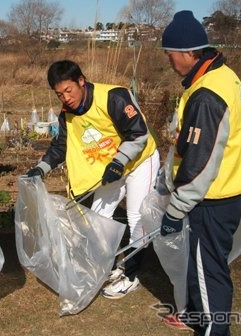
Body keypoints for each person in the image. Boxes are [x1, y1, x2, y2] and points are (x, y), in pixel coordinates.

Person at [159, 11, 241, 335]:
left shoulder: (207, 94)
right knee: (198, 262)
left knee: (209, 272)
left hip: (211, 198)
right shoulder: (220, 74)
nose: (169, 61)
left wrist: (176, 208)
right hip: (219, 191)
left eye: (171, 54)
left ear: (189, 52)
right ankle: (194, 315)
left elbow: (201, 163)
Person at [27, 60, 160, 299]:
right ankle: (107, 268)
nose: (65, 98)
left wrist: (120, 162)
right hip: (110, 168)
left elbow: (139, 134)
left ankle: (130, 276)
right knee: (98, 219)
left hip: (139, 161)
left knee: (136, 217)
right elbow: (60, 146)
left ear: (81, 81)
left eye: (69, 90)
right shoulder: (67, 114)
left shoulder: (113, 97)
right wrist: (41, 169)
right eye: (59, 94)